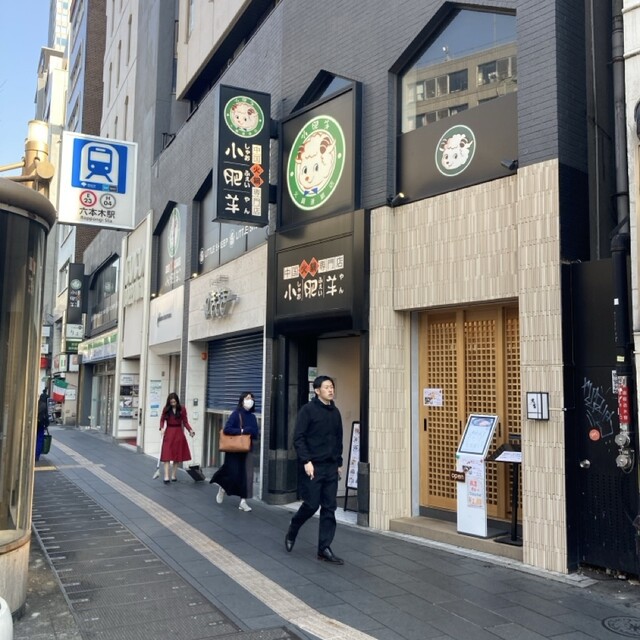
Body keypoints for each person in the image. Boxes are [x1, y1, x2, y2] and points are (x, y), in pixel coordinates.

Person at [285, 375, 344, 564]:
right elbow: (299, 437)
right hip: (313, 466)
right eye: (326, 387)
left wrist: (339, 462)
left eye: (332, 386)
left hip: (331, 466)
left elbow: (338, 439)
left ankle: (324, 548)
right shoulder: (308, 410)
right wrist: (306, 461)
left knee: (329, 507)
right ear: (317, 390)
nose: (331, 390)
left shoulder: (335, 412)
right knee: (311, 505)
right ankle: (294, 526)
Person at [210, 392, 259, 512]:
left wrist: (250, 431)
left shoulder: (253, 417)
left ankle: (243, 501)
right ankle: (223, 487)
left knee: (246, 476)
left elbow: (255, 433)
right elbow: (227, 429)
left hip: (247, 449)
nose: (250, 400)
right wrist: (242, 431)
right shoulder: (236, 414)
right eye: (247, 398)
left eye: (251, 398)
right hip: (234, 449)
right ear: (242, 400)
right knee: (233, 473)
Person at [159, 393, 195, 483]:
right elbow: (162, 420)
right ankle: (166, 476)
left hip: (178, 433)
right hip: (169, 432)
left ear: (177, 401)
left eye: (174, 402)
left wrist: (190, 430)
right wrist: (162, 428)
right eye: (171, 402)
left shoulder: (182, 409)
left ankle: (174, 475)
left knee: (176, 455)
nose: (173, 404)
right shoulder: (166, 409)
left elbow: (185, 422)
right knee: (166, 455)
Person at [35, 390, 49, 461]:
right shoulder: (44, 406)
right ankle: (36, 455)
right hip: (41, 424)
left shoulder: (37, 404)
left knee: (34, 438)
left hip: (35, 424)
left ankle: (32, 452)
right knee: (39, 439)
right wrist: (46, 424)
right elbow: (46, 417)